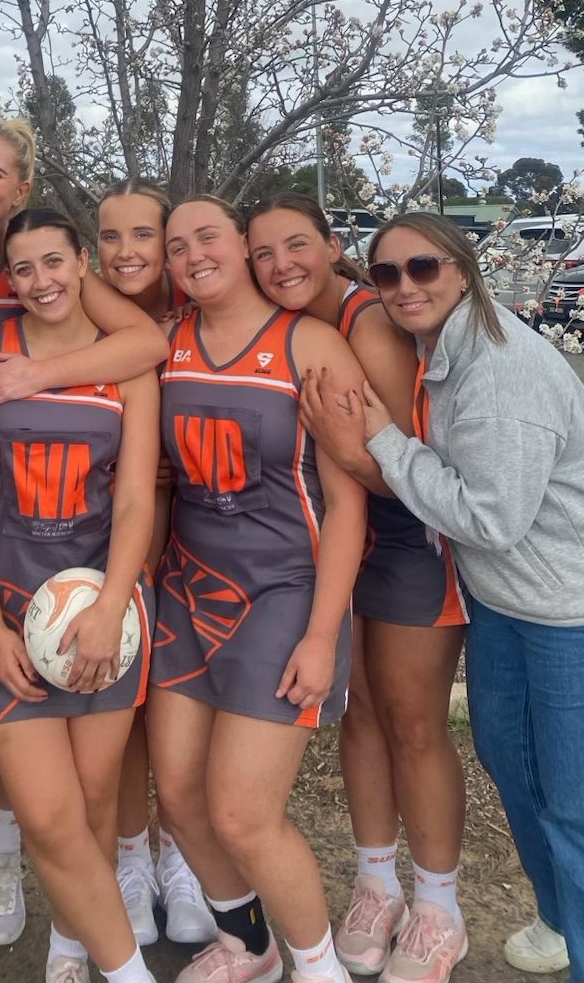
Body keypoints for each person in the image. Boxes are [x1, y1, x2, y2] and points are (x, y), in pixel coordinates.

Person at [300, 212, 584, 983]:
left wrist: (379, 443)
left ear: (463, 271)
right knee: (515, 766)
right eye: (387, 273)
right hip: (507, 601)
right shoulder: (439, 351)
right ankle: (564, 919)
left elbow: (491, 518)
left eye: (423, 267)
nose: (404, 286)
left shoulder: (500, 369)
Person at [0, 121, 168, 979]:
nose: (41, 280)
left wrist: (113, 609)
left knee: (90, 804)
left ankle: (70, 946)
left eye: (55, 261)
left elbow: (133, 504)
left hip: (107, 615)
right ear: (5, 281)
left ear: (82, 261)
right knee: (50, 817)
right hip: (6, 614)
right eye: (23, 269)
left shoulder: (126, 366)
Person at [246, 196, 467, 981]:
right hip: (348, 536)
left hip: (409, 535)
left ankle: (439, 904)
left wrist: (344, 445)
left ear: (333, 246)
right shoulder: (286, 329)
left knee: (412, 720)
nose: (281, 266)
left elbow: (424, 469)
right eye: (263, 253)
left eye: (298, 246)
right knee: (362, 714)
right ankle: (378, 886)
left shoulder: (367, 323)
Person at [147, 196, 367, 983]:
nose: (193, 254)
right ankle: (251, 945)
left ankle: (319, 967)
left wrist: (321, 632)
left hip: (285, 593)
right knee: (178, 796)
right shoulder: (164, 341)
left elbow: (346, 504)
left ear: (241, 246)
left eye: (208, 236)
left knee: (242, 810)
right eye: (177, 247)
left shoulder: (310, 343)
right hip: (188, 587)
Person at [96, 181, 215, 950]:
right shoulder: (81, 315)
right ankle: (130, 859)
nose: (128, 251)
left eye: (146, 235)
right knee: (124, 710)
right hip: (108, 544)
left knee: (176, 711)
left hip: (197, 544)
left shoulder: (200, 317)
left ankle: (183, 857)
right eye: (111, 236)